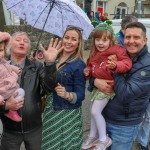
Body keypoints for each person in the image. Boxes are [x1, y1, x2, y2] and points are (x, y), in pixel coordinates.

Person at [94, 22, 150, 150]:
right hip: (105, 118)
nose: (131, 41)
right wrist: (95, 81)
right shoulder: (119, 53)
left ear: (145, 40)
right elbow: (97, 69)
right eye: (127, 37)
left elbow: (125, 94)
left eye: (136, 37)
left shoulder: (147, 65)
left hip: (124, 125)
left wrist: (115, 68)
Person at [0, 31, 57, 150]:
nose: (22, 43)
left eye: (25, 41)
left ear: (28, 48)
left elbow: (49, 88)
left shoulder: (37, 67)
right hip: (10, 131)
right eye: (18, 40)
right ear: (9, 45)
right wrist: (6, 106)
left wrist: (50, 64)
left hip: (34, 129)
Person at [81, 23, 132, 150]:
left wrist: (116, 65)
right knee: (93, 113)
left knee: (95, 111)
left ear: (111, 40)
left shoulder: (117, 50)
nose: (100, 43)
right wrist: (87, 71)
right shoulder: (95, 52)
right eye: (97, 40)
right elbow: (90, 65)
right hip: (98, 88)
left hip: (108, 87)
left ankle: (104, 139)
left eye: (104, 40)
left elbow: (127, 63)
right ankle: (93, 136)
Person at [41, 25, 86, 150]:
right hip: (51, 109)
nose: (69, 42)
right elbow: (48, 86)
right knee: (50, 145)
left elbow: (81, 94)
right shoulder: (55, 58)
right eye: (66, 37)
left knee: (65, 146)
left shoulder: (79, 65)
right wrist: (48, 62)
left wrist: (68, 95)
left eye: (73, 39)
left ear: (78, 44)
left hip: (67, 114)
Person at [0, 32, 25, 122]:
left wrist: (15, 69)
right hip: (3, 90)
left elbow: (8, 66)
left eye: (1, 50)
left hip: (10, 87)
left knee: (21, 92)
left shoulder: (3, 61)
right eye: (18, 40)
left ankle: (12, 110)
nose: (0, 54)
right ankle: (10, 110)